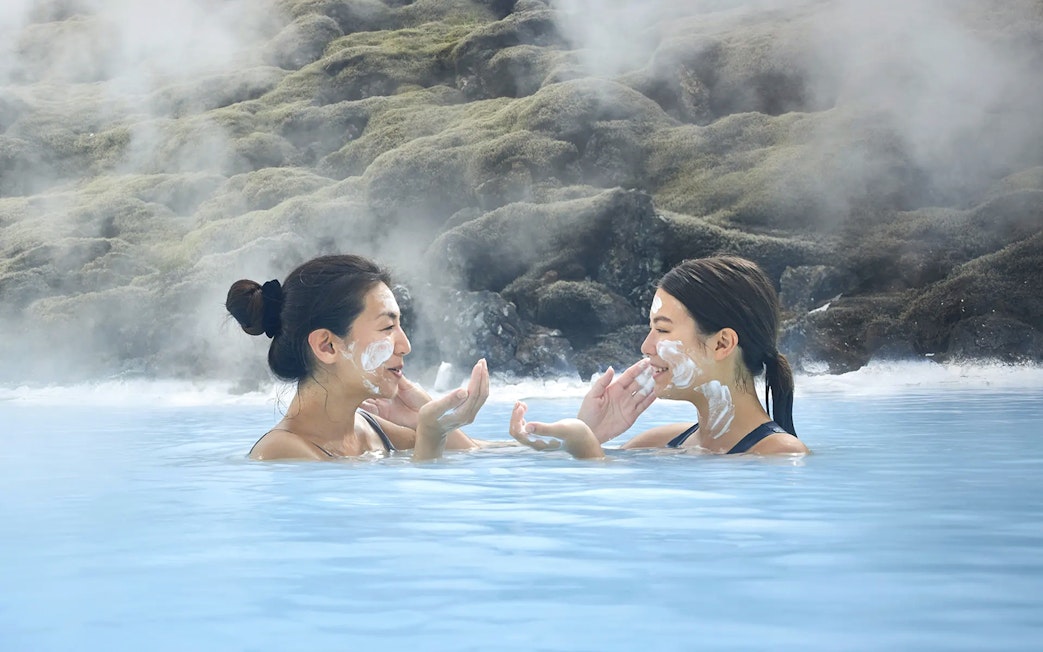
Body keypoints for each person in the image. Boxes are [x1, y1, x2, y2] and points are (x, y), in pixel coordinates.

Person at [510, 256, 808, 458]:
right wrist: (591, 432)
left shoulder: (781, 454)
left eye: (662, 330)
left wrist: (587, 448)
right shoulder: (663, 442)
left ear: (722, 344)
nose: (646, 346)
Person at [226, 254, 489, 461]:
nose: (405, 345)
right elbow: (415, 521)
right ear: (327, 346)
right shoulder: (281, 451)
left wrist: (426, 418)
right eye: (388, 328)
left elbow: (476, 454)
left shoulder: (369, 428)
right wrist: (430, 434)